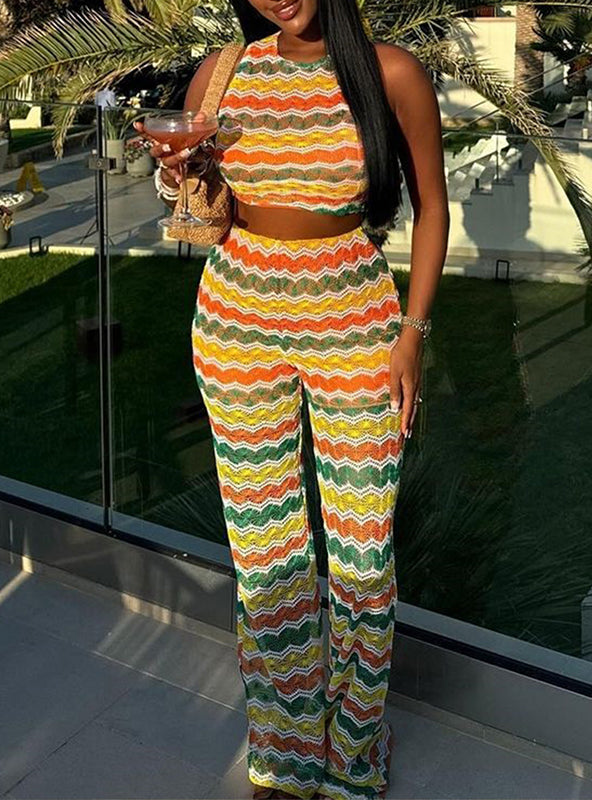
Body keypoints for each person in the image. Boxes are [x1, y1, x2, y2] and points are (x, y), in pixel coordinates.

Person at [136, 1, 449, 798]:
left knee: (362, 552)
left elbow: (433, 206)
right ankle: (285, 752)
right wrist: (179, 171)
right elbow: (207, 207)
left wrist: (412, 335)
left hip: (356, 321)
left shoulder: (389, 72)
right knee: (265, 552)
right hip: (237, 320)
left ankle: (353, 753)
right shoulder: (223, 73)